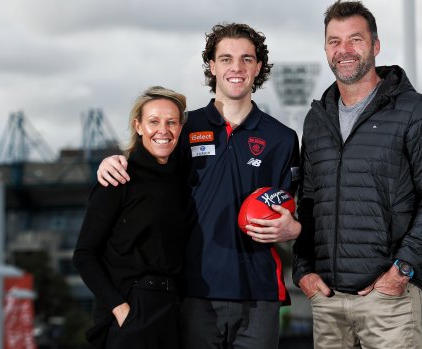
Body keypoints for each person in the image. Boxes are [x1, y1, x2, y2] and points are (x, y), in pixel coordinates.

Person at [96, 23, 301, 349]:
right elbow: (149, 172)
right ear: (212, 65)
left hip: (259, 294)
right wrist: (115, 161)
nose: (237, 67)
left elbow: (293, 209)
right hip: (193, 293)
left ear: (258, 67)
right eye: (226, 58)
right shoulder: (183, 127)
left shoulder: (282, 138)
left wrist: (294, 228)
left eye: (247, 59)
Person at [292, 1, 422, 348]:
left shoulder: (416, 111)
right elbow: (307, 199)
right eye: (335, 41)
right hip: (328, 302)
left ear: (376, 46)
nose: (344, 50)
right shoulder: (317, 119)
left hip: (389, 301)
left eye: (355, 39)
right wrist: (302, 269)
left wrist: (403, 270)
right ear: (326, 48)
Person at [72, 86, 188, 348]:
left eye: (171, 122)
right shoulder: (118, 178)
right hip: (132, 308)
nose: (163, 130)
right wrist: (120, 308)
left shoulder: (183, 180)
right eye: (154, 121)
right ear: (138, 126)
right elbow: (83, 255)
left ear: (180, 128)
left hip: (172, 310)